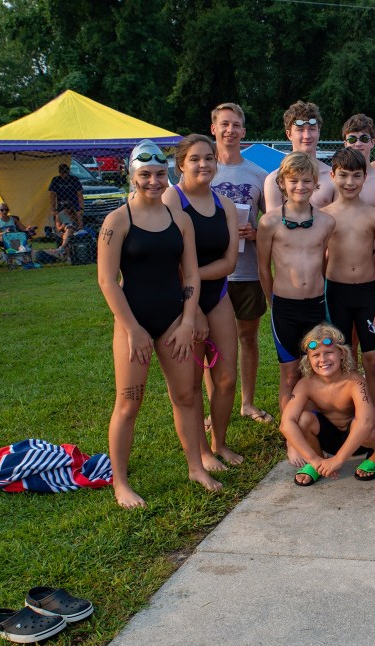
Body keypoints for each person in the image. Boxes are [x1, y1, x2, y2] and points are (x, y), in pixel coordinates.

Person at [96, 140, 222, 509]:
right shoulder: (117, 220)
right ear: (132, 177)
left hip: (172, 321)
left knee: (185, 396)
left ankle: (196, 467)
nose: (153, 181)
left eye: (160, 174)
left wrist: (186, 321)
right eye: (145, 175)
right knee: (128, 404)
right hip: (133, 321)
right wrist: (132, 329)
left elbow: (192, 276)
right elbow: (106, 281)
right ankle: (120, 482)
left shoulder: (179, 219)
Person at [162, 134, 242, 471]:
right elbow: (168, 262)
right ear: (181, 164)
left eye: (209, 158)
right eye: (195, 159)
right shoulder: (171, 199)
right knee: (190, 384)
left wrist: (198, 277)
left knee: (225, 379)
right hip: (180, 302)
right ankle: (201, 454)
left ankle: (218, 443)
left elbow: (230, 262)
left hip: (218, 294)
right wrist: (192, 310)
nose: (203, 164)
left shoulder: (224, 204)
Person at [256, 152, 336, 469]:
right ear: (282, 184)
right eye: (293, 181)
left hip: (316, 306)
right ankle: (293, 440)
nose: (300, 186)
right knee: (289, 374)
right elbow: (263, 268)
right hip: (284, 307)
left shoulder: (327, 222)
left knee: (318, 369)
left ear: (316, 184)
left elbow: (326, 264)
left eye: (306, 181)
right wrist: (272, 301)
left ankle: (312, 431)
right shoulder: (270, 222)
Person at [322, 147, 375, 480]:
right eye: (344, 175)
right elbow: (318, 259)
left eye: (357, 175)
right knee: (341, 362)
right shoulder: (323, 215)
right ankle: (348, 425)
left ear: (366, 177)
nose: (350, 181)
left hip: (367, 292)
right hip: (335, 292)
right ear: (332, 175)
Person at [210, 102, 273, 424]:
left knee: (247, 337)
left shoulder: (258, 175)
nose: (230, 130)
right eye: (224, 124)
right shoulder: (201, 171)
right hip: (209, 272)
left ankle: (247, 403)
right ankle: (213, 406)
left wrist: (254, 232)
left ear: (243, 131)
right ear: (214, 129)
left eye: (236, 125)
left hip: (246, 271)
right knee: (210, 344)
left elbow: (270, 223)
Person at [282, 324, 375, 487]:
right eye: (316, 355)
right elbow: (286, 423)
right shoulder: (306, 384)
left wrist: (338, 460)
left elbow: (366, 421)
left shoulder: (354, 381)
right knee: (303, 419)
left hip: (359, 440)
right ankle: (318, 465)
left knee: (370, 425)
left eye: (329, 353)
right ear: (309, 360)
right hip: (329, 439)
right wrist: (314, 459)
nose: (323, 359)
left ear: (342, 353)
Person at [263, 101, 335, 210]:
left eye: (312, 129)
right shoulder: (275, 180)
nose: (307, 136)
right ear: (289, 134)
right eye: (300, 130)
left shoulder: (333, 177)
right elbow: (273, 224)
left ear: (319, 132)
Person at [49, 162, 83, 234]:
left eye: (65, 173)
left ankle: (79, 230)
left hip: (73, 203)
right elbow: (52, 195)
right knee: (59, 216)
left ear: (68, 172)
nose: (64, 175)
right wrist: (53, 209)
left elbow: (79, 194)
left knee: (78, 215)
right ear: (59, 172)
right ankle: (61, 231)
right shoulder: (56, 180)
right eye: (62, 173)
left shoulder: (74, 179)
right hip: (61, 203)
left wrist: (81, 207)